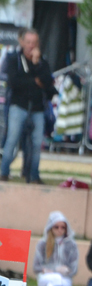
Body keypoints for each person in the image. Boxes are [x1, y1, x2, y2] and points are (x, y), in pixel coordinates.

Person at [0, 29, 55, 184]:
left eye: (34, 43)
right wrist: (34, 82)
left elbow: (47, 81)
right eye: (28, 42)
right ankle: (4, 172)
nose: (31, 46)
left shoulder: (42, 62)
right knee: (12, 139)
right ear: (22, 42)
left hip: (37, 108)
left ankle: (33, 174)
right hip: (18, 105)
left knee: (37, 143)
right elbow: (14, 82)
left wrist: (36, 64)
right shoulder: (13, 59)